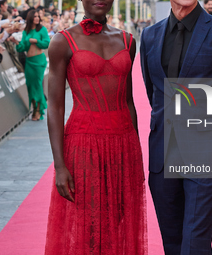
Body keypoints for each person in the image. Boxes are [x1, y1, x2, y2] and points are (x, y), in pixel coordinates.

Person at [140, 0, 212, 253]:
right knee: (172, 240)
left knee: (195, 240)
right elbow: (153, 90)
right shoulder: (150, 35)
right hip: (163, 152)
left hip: (207, 152)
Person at [44, 0, 147, 253]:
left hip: (123, 143)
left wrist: (136, 152)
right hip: (84, 145)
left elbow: (129, 101)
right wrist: (59, 165)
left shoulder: (127, 41)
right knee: (90, 223)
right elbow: (55, 107)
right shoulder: (62, 41)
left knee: (118, 218)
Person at [9, 10, 50, 121]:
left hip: (39, 61)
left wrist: (36, 41)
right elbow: (23, 47)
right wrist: (16, 42)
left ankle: (38, 111)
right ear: (30, 18)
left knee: (37, 85)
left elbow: (47, 43)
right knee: (30, 86)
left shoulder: (42, 30)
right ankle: (34, 108)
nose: (37, 18)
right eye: (35, 16)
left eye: (38, 16)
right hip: (29, 61)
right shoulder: (26, 32)